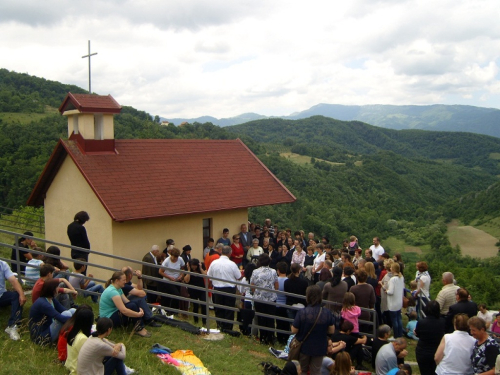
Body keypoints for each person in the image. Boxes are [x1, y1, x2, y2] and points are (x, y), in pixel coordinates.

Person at [291, 285, 335, 375]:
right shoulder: (326, 313)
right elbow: (331, 331)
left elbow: (294, 330)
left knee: (302, 370)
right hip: (320, 347)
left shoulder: (302, 312)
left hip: (304, 346)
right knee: (316, 371)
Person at [99, 271, 150, 337]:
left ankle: (140, 327)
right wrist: (138, 314)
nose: (125, 282)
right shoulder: (113, 292)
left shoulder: (118, 289)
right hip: (108, 320)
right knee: (132, 305)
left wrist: (138, 308)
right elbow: (124, 310)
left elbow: (127, 302)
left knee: (134, 304)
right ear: (117, 281)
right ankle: (139, 328)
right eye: (123, 280)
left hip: (113, 313)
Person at [29, 279, 76, 345]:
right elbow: (60, 317)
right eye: (57, 287)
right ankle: (72, 337)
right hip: (41, 336)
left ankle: (74, 335)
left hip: (49, 328)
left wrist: (78, 314)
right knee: (67, 314)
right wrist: (77, 320)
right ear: (52, 289)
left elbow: (63, 309)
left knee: (72, 311)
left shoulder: (51, 299)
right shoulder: (43, 304)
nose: (59, 288)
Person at [207, 246, 243, 330]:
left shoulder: (214, 263)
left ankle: (219, 326)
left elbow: (209, 275)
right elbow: (238, 276)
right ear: (230, 253)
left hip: (217, 288)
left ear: (221, 252)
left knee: (218, 309)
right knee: (229, 310)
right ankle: (228, 328)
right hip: (229, 289)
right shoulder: (232, 264)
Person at [251, 253, 279, 345]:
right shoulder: (273, 271)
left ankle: (263, 338)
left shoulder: (255, 272)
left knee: (261, 318)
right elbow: (276, 285)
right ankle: (270, 337)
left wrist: (257, 292)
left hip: (259, 298)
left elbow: (252, 285)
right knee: (270, 319)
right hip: (271, 299)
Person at [415, 300, 446, 375]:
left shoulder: (422, 322)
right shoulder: (443, 322)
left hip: (423, 351)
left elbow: (418, 334)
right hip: (437, 350)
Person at [0, 260, 26, 340]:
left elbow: (13, 281)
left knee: (16, 295)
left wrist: (22, 294)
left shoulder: (2, 264)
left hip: (1, 295)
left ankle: (12, 326)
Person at [65, 308, 94, 375]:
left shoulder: (74, 332)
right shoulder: (82, 338)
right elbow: (90, 357)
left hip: (71, 366)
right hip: (78, 371)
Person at [158, 247, 185, 314]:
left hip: (177, 280)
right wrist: (169, 277)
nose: (175, 259)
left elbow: (183, 268)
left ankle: (175, 311)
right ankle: (168, 311)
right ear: (171, 255)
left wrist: (181, 276)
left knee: (176, 296)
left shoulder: (180, 259)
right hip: (168, 281)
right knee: (175, 294)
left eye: (176, 257)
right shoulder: (167, 261)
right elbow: (160, 272)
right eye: (173, 257)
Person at [183, 258, 207, 325]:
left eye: (195, 266)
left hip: (201, 288)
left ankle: (204, 321)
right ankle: (195, 320)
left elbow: (205, 275)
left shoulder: (201, 266)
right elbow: (186, 280)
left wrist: (200, 268)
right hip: (192, 289)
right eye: (192, 265)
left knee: (204, 305)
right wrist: (189, 270)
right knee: (195, 305)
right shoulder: (188, 268)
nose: (194, 267)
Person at [385, 262, 405, 338]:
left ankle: (396, 336)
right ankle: (400, 333)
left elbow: (391, 291)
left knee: (394, 320)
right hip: (399, 301)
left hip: (393, 303)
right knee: (399, 319)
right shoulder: (401, 277)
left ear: (393, 269)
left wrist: (386, 291)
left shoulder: (393, 279)